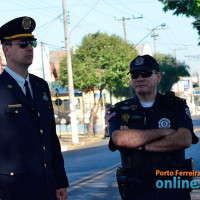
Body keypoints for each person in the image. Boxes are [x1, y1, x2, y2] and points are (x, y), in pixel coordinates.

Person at [108, 55, 199, 200]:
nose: (139, 78)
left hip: (173, 189)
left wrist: (137, 143)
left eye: (145, 74)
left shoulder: (176, 106)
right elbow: (119, 139)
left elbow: (184, 139)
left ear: (158, 77)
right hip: (136, 191)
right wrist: (165, 132)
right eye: (134, 75)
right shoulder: (120, 109)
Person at [0, 16, 69, 200]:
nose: (29, 47)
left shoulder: (41, 86)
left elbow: (50, 137)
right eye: (23, 43)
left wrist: (60, 181)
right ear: (6, 49)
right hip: (12, 191)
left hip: (46, 187)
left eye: (32, 42)